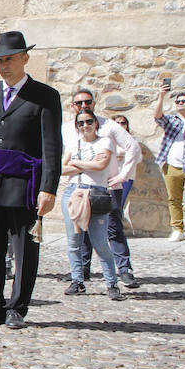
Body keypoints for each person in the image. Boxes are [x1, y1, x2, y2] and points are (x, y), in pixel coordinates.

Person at [0, 31, 62, 331]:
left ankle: (17, 307)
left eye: (9, 60)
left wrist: (48, 188)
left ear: (24, 59)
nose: (4, 66)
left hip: (25, 186)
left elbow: (52, 147)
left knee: (25, 250)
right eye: (0, 61)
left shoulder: (44, 96)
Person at [61, 90, 140, 292]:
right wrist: (87, 165)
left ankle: (123, 270)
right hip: (76, 189)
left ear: (94, 104)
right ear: (72, 106)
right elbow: (63, 165)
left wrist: (123, 175)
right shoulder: (67, 130)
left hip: (106, 187)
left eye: (87, 101)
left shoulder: (108, 126)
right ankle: (80, 275)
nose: (83, 105)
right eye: (79, 102)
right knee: (78, 236)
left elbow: (131, 146)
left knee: (111, 231)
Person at [60, 111, 123, 300]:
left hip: (96, 193)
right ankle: (77, 281)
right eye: (81, 123)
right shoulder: (73, 144)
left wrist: (76, 163)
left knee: (100, 242)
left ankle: (112, 283)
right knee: (74, 242)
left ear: (96, 123)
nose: (85, 126)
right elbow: (62, 169)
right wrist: (88, 164)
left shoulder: (105, 142)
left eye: (88, 122)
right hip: (74, 191)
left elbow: (101, 166)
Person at [152, 80, 185, 241]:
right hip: (171, 166)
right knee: (174, 199)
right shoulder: (172, 121)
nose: (180, 103)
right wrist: (161, 96)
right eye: (178, 101)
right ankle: (177, 229)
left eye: (184, 101)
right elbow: (157, 116)